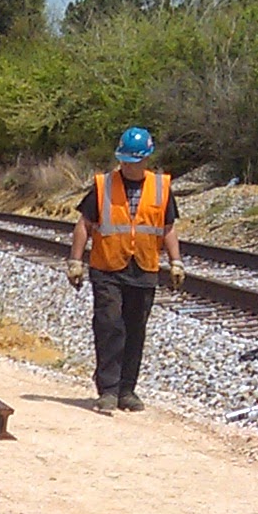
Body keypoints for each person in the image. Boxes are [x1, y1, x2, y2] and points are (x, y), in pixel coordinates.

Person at [68, 125, 184, 412]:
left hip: (144, 268)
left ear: (146, 159)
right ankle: (107, 389)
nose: (129, 166)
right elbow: (84, 225)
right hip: (107, 267)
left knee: (135, 329)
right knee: (109, 325)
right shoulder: (103, 186)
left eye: (135, 161)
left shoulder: (160, 188)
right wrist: (75, 261)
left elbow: (167, 228)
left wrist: (176, 261)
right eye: (125, 161)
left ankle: (126, 390)